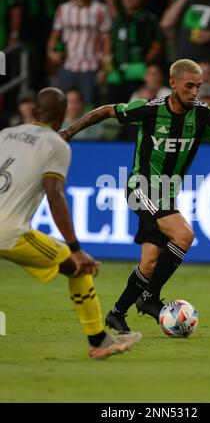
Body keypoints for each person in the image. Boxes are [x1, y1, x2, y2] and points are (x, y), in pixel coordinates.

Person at [59, 59, 210, 333]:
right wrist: (70, 130)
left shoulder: (202, 115)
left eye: (198, 87)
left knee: (150, 263)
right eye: (189, 86)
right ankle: (150, 298)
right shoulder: (149, 110)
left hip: (166, 194)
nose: (194, 92)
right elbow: (107, 111)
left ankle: (117, 313)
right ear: (173, 83)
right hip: (140, 186)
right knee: (184, 235)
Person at [0, 87, 141, 357]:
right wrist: (75, 248)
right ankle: (98, 341)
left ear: (33, 111)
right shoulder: (56, 145)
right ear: (63, 116)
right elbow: (55, 194)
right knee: (79, 267)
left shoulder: (5, 135)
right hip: (8, 231)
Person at [47, 0, 111, 106]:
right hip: (67, 65)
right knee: (63, 105)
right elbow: (55, 34)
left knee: (89, 107)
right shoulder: (63, 9)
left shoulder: (100, 9)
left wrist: (105, 69)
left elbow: (107, 40)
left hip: (91, 67)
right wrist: (51, 52)